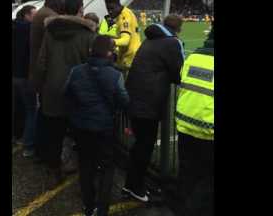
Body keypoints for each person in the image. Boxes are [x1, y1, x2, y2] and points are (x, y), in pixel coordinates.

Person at [122, 14, 185, 202]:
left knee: (139, 145)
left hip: (135, 98)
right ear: (178, 28)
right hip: (147, 102)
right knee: (144, 146)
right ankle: (135, 187)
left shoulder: (151, 40)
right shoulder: (172, 42)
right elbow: (179, 73)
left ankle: (131, 183)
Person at [65, 36, 129, 216]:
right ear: (109, 53)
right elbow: (124, 101)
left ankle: (89, 205)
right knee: (107, 166)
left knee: (86, 165)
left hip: (81, 126)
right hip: (104, 127)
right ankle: (102, 208)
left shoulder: (76, 71)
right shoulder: (115, 75)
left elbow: (67, 94)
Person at [37, 0, 97, 186]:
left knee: (54, 134)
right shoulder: (88, 34)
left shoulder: (50, 32)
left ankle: (54, 169)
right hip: (77, 93)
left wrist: (41, 87)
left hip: (52, 90)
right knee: (82, 136)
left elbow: (41, 63)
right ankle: (83, 180)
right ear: (80, 9)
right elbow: (93, 65)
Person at [175, 28, 214, 216]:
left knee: (187, 172)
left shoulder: (193, 57)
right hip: (209, 132)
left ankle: (181, 206)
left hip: (184, 126)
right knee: (207, 179)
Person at [27, 0, 68, 159]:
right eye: (63, 0)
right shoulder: (49, 16)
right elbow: (62, 38)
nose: (64, 4)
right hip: (45, 75)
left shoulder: (43, 13)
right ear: (56, 0)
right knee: (49, 117)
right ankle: (45, 154)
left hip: (39, 72)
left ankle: (40, 151)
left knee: (43, 114)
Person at [12, 5, 37, 153]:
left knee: (17, 107)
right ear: (27, 15)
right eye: (34, 14)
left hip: (14, 75)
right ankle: (28, 145)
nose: (36, 18)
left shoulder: (14, 27)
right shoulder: (29, 30)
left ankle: (16, 136)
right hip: (25, 75)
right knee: (31, 110)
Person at [104, 0, 141, 72]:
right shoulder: (123, 13)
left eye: (112, 8)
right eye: (108, 9)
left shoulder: (125, 17)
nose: (110, 11)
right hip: (128, 54)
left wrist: (111, 41)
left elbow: (125, 40)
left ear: (118, 5)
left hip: (130, 57)